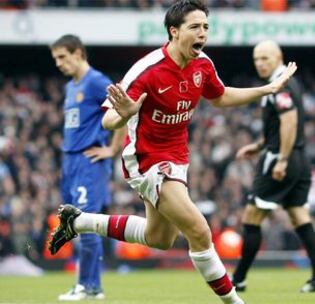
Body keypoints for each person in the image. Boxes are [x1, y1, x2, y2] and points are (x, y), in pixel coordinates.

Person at [48, 1, 297, 303]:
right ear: (174, 31)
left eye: (206, 27)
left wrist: (265, 90)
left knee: (159, 239)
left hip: (177, 157)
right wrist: (125, 113)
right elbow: (108, 119)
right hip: (147, 160)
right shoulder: (147, 70)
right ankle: (234, 301)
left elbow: (220, 97)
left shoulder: (202, 64)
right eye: (195, 27)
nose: (202, 33)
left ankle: (79, 222)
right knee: (199, 231)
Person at [231, 40, 315, 293]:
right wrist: (259, 144)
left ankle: (238, 279)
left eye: (265, 58)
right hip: (299, 158)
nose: (260, 63)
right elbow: (279, 126)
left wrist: (281, 159)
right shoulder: (279, 83)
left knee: (251, 217)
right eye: (256, 59)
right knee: (299, 216)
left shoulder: (281, 84)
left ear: (279, 57)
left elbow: (289, 122)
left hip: (281, 159)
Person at [50, 34, 126, 301]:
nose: (58, 63)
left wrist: (113, 149)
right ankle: (85, 285)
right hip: (70, 162)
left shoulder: (95, 81)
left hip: (88, 162)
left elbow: (123, 111)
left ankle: (90, 286)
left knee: (84, 221)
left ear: (79, 53)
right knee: (71, 224)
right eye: (55, 58)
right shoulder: (72, 86)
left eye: (63, 57)